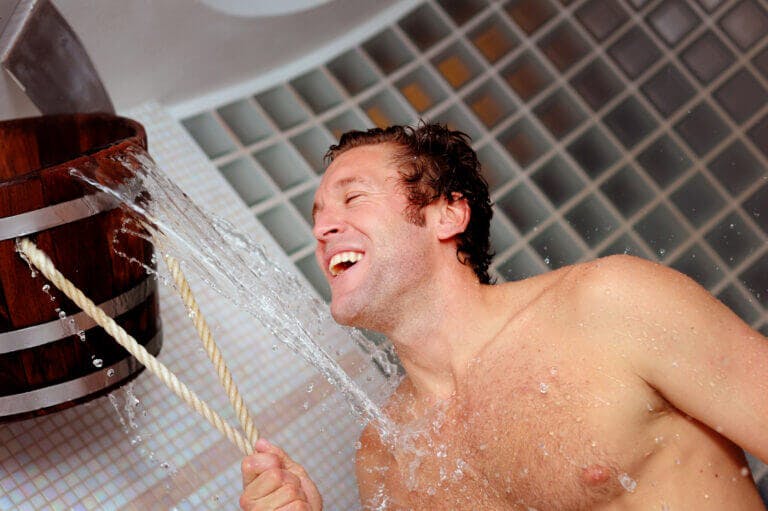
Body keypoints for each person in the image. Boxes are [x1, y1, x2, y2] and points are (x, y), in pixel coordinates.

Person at [240, 123, 768, 510]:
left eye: (352, 198)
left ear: (448, 214)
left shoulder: (608, 304)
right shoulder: (385, 455)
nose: (324, 228)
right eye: (318, 217)